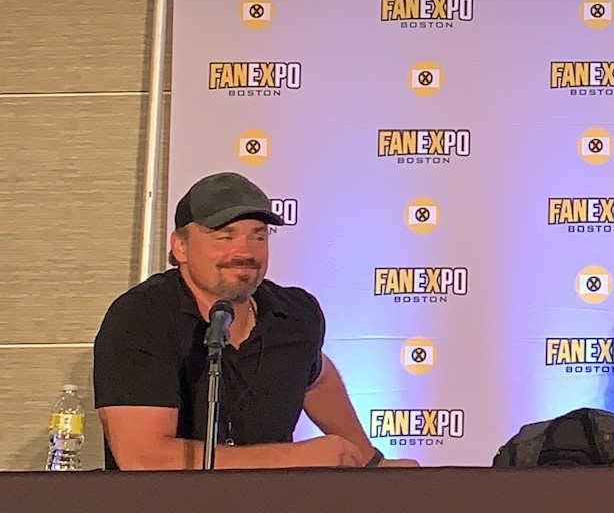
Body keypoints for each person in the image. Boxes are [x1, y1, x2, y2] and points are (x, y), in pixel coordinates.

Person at [93, 172, 408, 470]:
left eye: (258, 236)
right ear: (181, 246)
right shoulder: (141, 318)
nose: (245, 251)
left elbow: (316, 375)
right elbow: (146, 458)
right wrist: (294, 458)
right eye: (225, 236)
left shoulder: (295, 315)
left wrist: (371, 462)